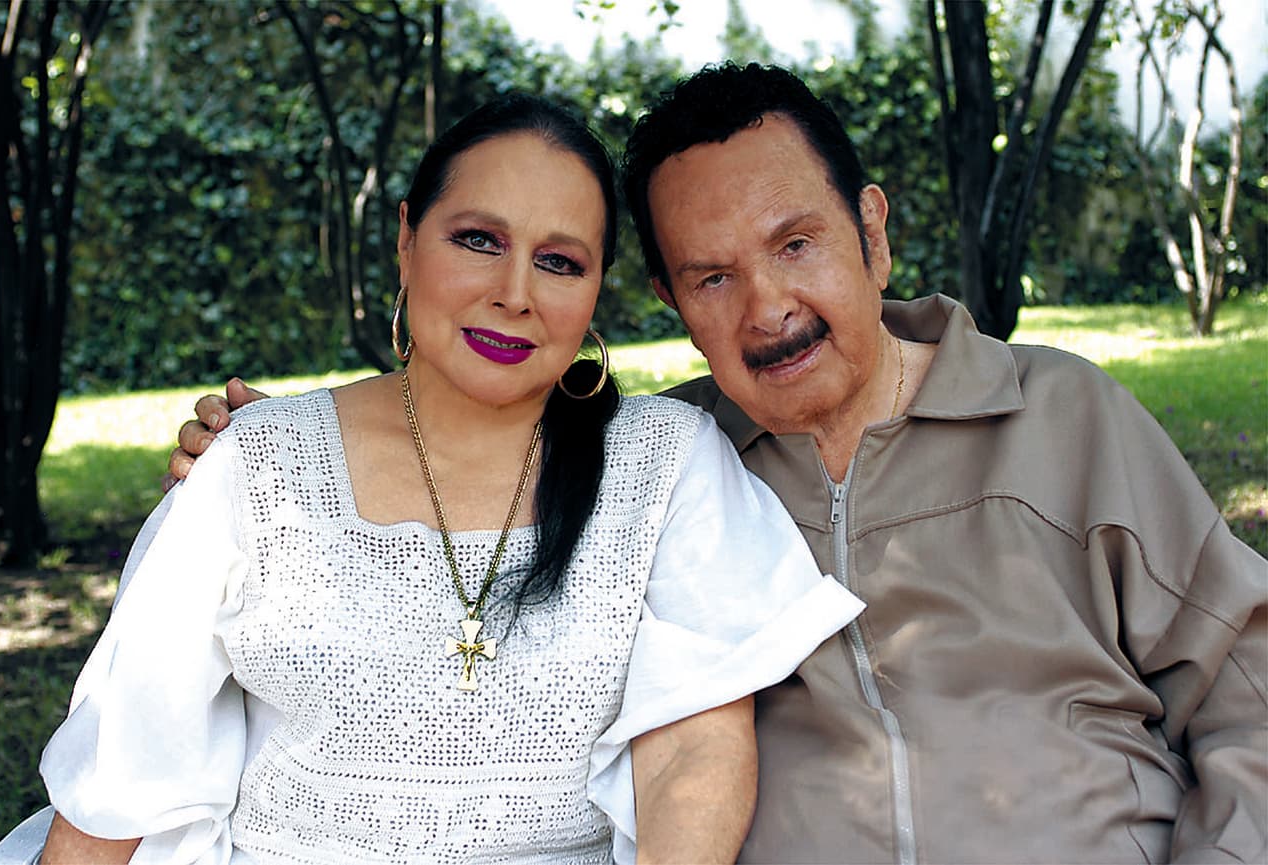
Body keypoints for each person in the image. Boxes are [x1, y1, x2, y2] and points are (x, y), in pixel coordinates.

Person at [172, 64, 1268, 864]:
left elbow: (1244, 689)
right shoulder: (654, 469)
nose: (768, 307)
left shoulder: (1064, 419)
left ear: (870, 233)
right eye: (710, 276)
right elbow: (458, 455)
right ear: (668, 303)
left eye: (796, 244)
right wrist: (278, 453)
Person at [30, 93, 865, 865]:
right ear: (406, 240)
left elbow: (694, 747)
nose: (514, 293)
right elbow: (127, 768)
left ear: (597, 289)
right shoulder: (258, 469)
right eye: (478, 240)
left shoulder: (664, 464)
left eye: (561, 262)